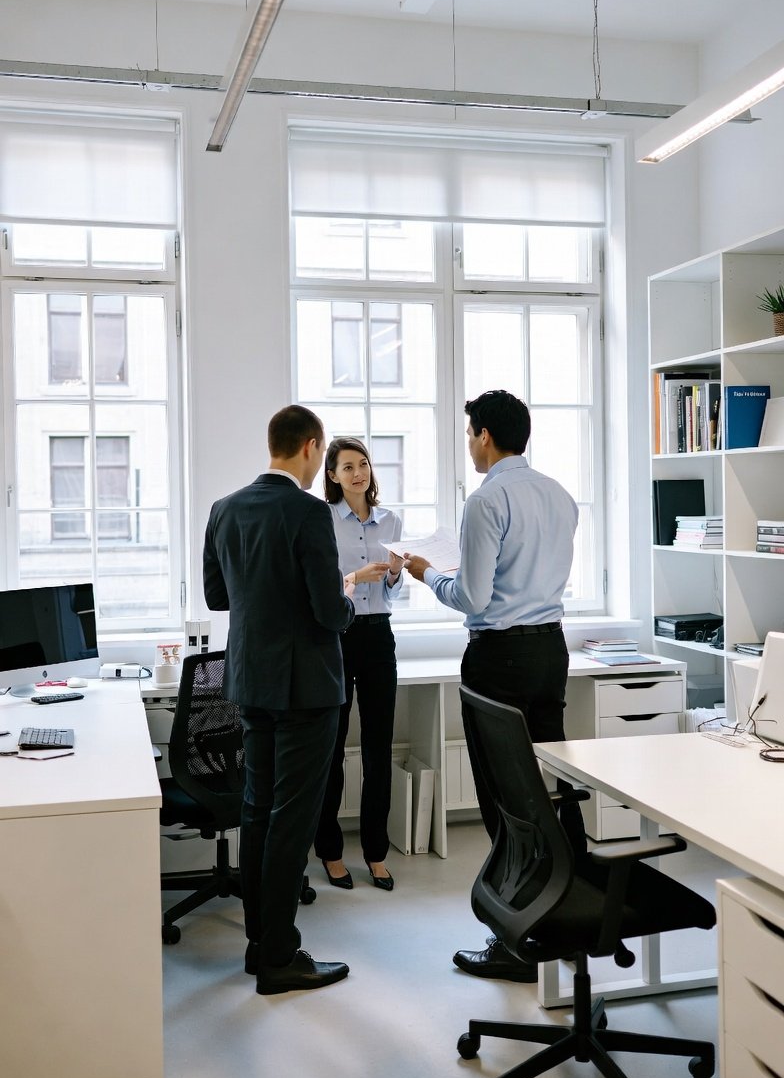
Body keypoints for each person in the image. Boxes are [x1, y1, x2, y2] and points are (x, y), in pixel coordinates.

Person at [404, 389, 582, 983]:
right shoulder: (559, 495)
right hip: (549, 651)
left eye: (469, 435)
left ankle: (514, 937)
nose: (469, 446)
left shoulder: (487, 500)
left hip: (499, 657)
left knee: (506, 797)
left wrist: (429, 574)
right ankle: (564, 915)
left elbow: (473, 598)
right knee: (551, 783)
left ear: (483, 435)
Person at [203, 404, 355, 995]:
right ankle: (280, 957)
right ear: (312, 448)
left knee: (257, 810)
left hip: (249, 683)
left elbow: (220, 597)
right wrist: (344, 597)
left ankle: (259, 945)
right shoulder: (309, 512)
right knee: (292, 819)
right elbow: (327, 613)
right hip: (307, 689)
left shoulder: (225, 509)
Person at [314, 436, 404, 892]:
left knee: (378, 748)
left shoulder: (390, 519)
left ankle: (375, 852)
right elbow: (321, 586)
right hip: (337, 636)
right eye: (347, 466)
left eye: (363, 463)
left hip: (378, 635)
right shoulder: (322, 519)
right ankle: (330, 851)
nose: (357, 473)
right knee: (331, 749)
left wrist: (391, 573)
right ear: (332, 475)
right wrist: (354, 577)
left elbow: (393, 592)